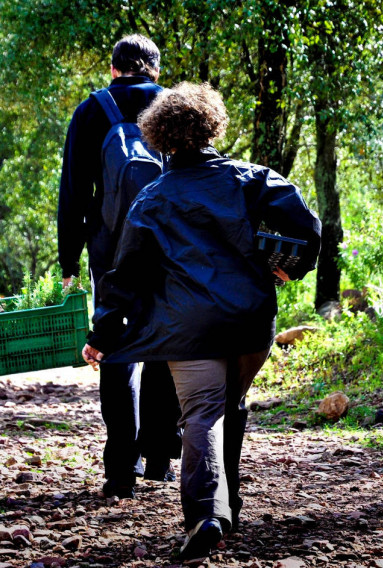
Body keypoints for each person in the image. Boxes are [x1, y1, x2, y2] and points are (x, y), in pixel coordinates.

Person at [82, 82, 322, 560]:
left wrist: (101, 335)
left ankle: (206, 514)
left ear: (159, 135)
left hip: (188, 328)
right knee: (228, 403)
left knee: (202, 412)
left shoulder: (151, 199)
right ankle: (228, 504)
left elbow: (123, 276)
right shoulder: (251, 178)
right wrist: (290, 266)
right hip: (252, 321)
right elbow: (309, 226)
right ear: (213, 126)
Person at [58, 34, 181, 499]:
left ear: (113, 70)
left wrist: (69, 260)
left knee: (115, 347)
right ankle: (160, 461)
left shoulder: (93, 110)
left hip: (111, 249)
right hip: (170, 247)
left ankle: (119, 469)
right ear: (154, 70)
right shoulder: (174, 106)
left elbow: (72, 193)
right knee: (164, 345)